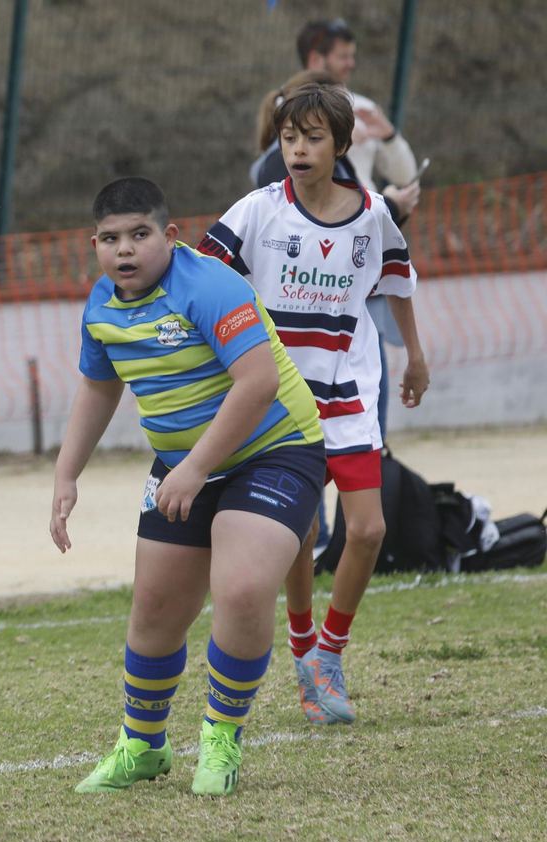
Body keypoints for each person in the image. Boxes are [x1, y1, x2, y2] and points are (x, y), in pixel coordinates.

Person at [54, 177, 325, 796]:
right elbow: (99, 386)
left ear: (169, 236)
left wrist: (198, 467)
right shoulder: (102, 305)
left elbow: (256, 384)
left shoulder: (208, 285)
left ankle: (220, 737)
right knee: (154, 610)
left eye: (140, 234)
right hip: (183, 465)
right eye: (111, 239)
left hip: (276, 451)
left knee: (242, 587)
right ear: (93, 244)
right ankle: (142, 747)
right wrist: (67, 474)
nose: (126, 250)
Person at [197, 82, 428, 726]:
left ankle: (328, 652)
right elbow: (201, 274)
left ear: (342, 145)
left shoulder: (375, 213)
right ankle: (300, 643)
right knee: (302, 533)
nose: (297, 149)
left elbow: (399, 281)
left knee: (370, 529)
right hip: (281, 398)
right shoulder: (257, 210)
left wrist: (415, 354)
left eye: (312, 138)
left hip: (349, 392)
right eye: (288, 137)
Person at [297, 18, 423, 444]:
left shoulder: (363, 106)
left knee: (370, 378)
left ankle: (373, 455)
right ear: (317, 58)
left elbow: (405, 174)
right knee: (306, 414)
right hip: (309, 275)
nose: (350, 65)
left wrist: (386, 135)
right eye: (342, 56)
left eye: (353, 56)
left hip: (363, 258)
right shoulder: (291, 112)